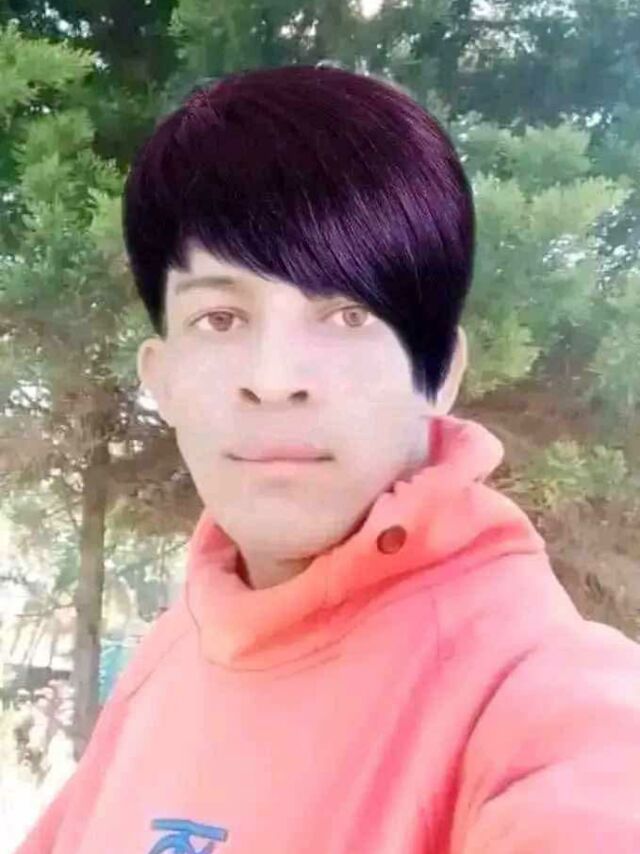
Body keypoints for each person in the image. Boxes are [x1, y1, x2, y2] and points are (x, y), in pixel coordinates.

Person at [15, 64, 640, 854]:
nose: (275, 379)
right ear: (161, 377)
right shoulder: (167, 658)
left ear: (440, 373)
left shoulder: (541, 700)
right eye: (219, 318)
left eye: (348, 314)